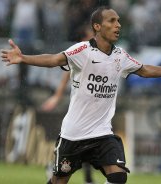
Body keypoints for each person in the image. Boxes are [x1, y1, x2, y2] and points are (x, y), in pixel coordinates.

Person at [1, 6, 161, 184]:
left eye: (119, 21)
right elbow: (54, 59)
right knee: (58, 181)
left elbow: (144, 70)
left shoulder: (120, 56)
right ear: (97, 27)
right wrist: (24, 58)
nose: (118, 25)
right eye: (112, 21)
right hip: (74, 134)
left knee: (118, 177)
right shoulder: (83, 50)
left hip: (101, 133)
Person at [42, 26, 95, 184]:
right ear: (83, 38)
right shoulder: (79, 54)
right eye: (90, 34)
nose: (94, 37)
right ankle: (55, 167)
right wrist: (57, 96)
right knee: (77, 144)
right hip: (80, 108)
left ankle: (87, 178)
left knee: (89, 143)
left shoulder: (97, 53)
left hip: (93, 108)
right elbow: (66, 75)